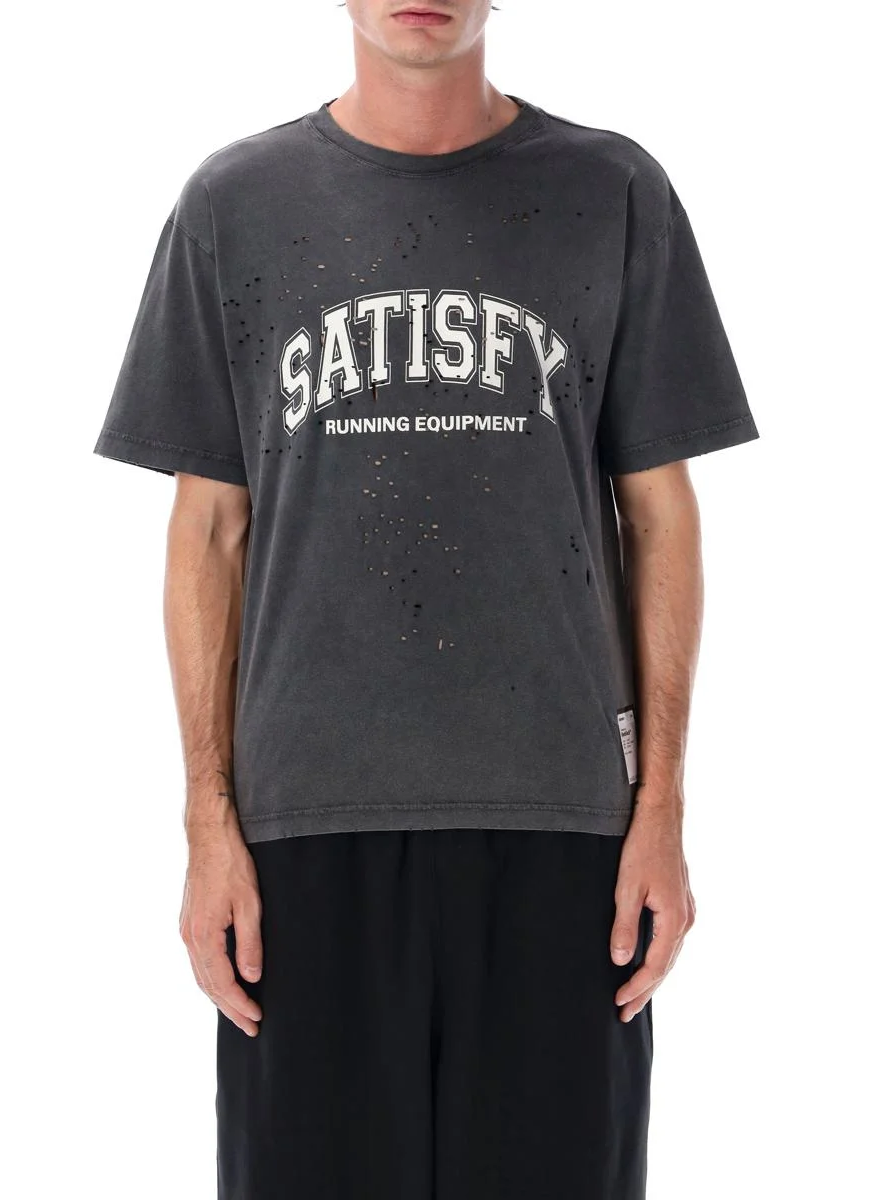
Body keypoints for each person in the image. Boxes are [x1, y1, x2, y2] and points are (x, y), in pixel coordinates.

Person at [92, 2, 760, 1196]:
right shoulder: (233, 206)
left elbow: (659, 518)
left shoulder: (610, 193)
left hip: (565, 835)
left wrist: (660, 807)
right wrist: (205, 824)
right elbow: (208, 531)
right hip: (301, 836)